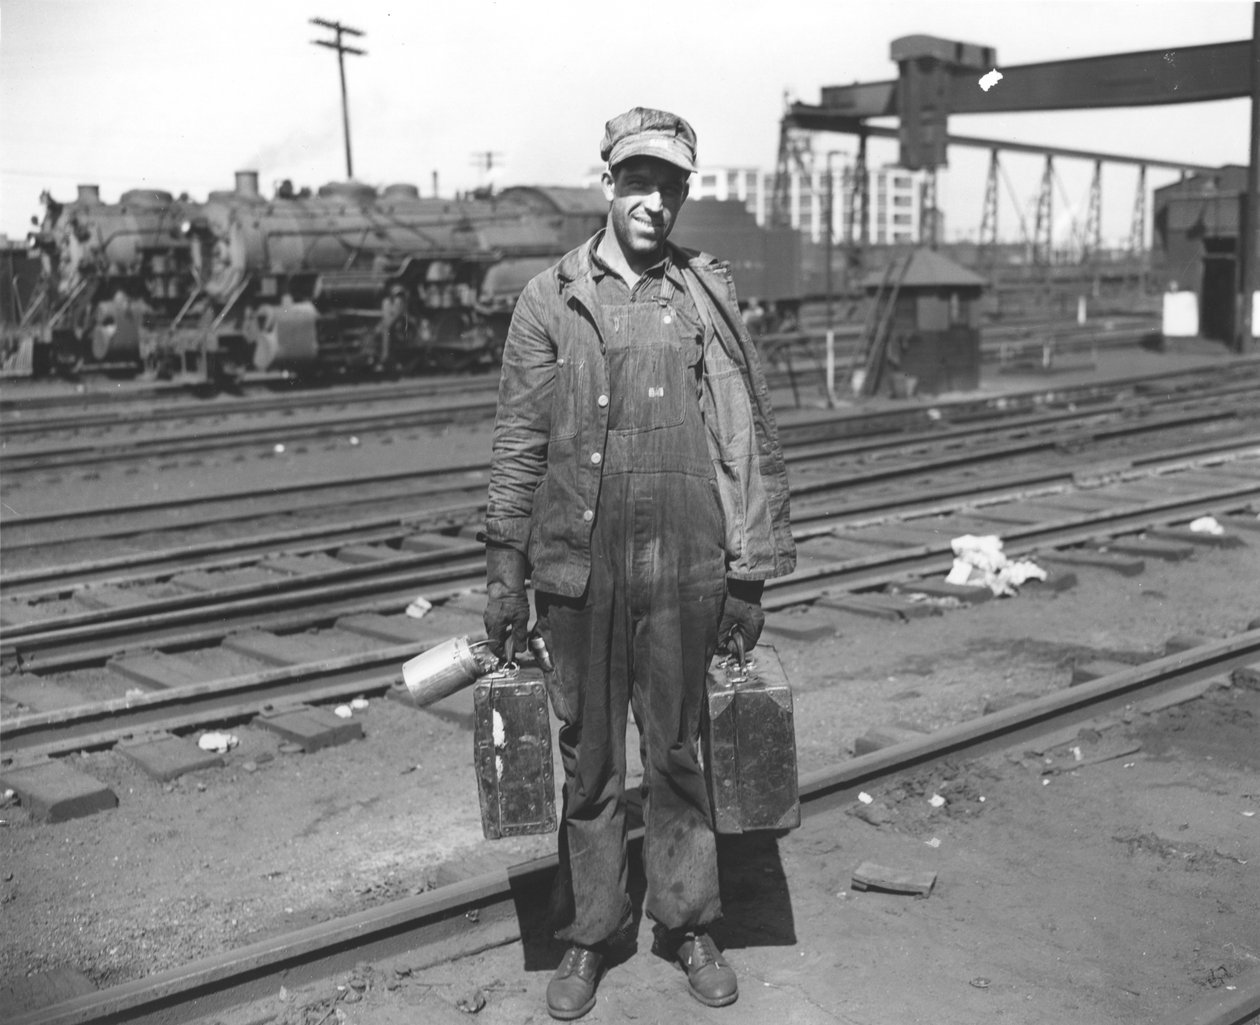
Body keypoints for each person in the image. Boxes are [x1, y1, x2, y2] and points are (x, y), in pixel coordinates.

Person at [482, 106, 796, 1021]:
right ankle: (586, 932)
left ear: (684, 193)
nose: (654, 200)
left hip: (687, 561)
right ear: (608, 182)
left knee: (677, 751)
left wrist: (748, 571)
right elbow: (518, 442)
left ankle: (689, 919)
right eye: (638, 181)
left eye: (671, 185)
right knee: (586, 765)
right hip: (580, 561)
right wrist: (506, 567)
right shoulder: (552, 298)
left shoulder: (704, 293)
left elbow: (739, 436)